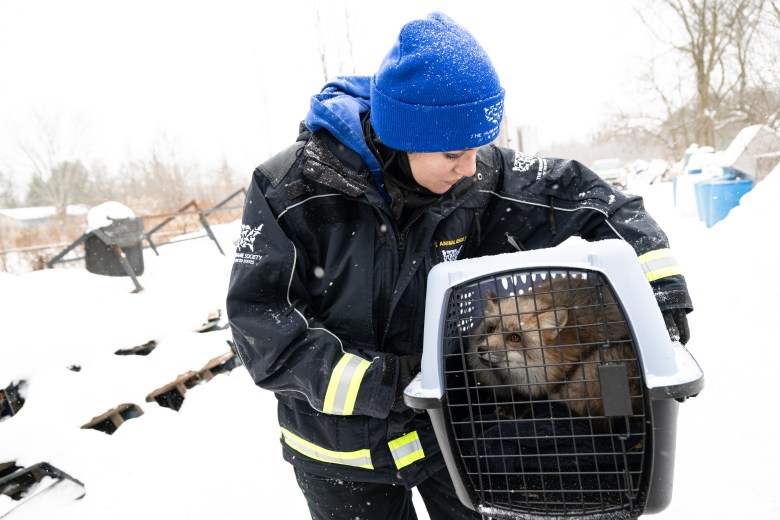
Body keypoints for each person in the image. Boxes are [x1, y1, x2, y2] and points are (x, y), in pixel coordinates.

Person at [226, 11, 692, 520]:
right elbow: (264, 330)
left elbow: (602, 203)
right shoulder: (288, 191)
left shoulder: (477, 176)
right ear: (405, 137)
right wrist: (386, 381)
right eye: (453, 152)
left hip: (454, 438)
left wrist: (661, 293)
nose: (470, 166)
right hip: (339, 454)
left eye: (478, 147)